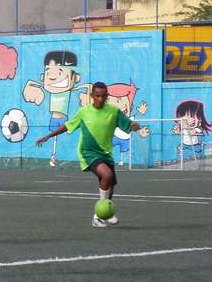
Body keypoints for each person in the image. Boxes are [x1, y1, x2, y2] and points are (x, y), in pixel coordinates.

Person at [36, 81, 140, 227]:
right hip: (88, 152)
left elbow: (130, 126)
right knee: (107, 176)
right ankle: (98, 218)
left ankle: (105, 214)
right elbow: (67, 125)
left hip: (106, 153)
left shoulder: (114, 112)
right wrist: (48, 136)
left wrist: (135, 126)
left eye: (104, 96)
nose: (100, 99)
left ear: (107, 96)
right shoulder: (83, 112)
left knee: (110, 186)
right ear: (92, 96)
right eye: (97, 96)